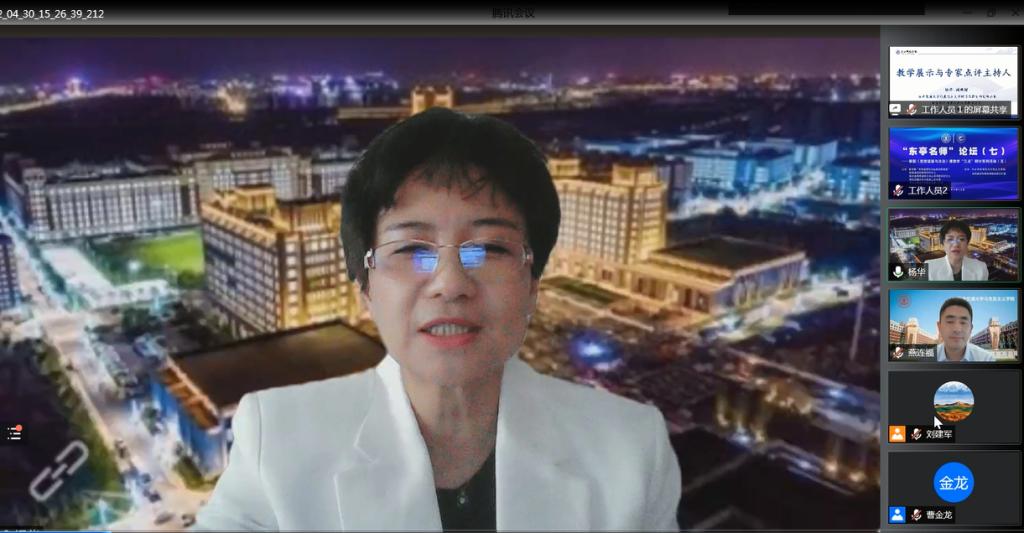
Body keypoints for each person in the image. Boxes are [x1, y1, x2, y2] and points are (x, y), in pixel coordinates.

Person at [191, 107, 682, 531]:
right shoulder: (278, 444)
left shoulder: (631, 451)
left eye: (488, 249)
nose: (450, 283)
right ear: (364, 286)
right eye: (412, 249)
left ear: (533, 281)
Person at [934, 297, 995, 362]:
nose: (957, 329)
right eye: (950, 321)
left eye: (963, 322)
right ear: (939, 327)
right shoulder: (927, 357)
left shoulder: (986, 359)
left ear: (971, 329)